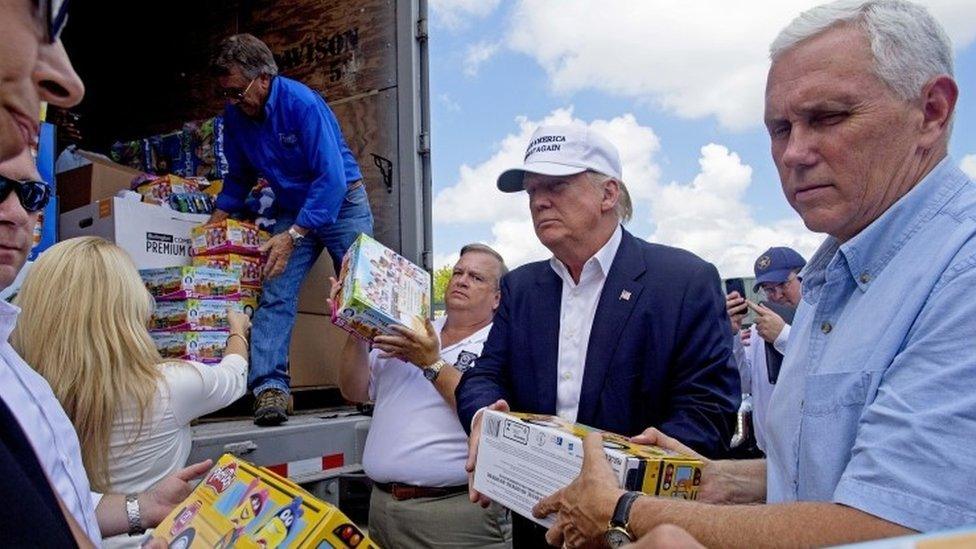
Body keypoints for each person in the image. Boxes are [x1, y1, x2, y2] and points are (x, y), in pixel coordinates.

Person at [533, 1, 976, 546]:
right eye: (778, 128)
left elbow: (894, 527)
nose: (793, 153)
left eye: (827, 117)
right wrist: (717, 481)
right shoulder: (835, 275)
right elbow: (828, 478)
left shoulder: (961, 273)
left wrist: (625, 510)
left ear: (931, 110)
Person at [455, 124, 739, 546]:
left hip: (635, 529)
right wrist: (484, 416)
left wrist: (619, 478)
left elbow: (707, 412)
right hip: (539, 525)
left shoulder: (682, 281)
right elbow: (484, 375)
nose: (539, 202)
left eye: (557, 186)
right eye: (532, 191)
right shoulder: (523, 288)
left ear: (609, 194)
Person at [0, 151, 211, 546]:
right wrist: (237, 331)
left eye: (31, 195)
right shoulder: (171, 386)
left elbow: (53, 501)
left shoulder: (15, 362)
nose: (15, 213)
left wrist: (143, 507)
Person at [11, 236, 252, 547]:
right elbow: (233, 377)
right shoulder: (169, 386)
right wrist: (237, 329)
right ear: (128, 308)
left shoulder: (24, 390)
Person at [207, 33, 374, 426]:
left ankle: (375, 384)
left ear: (263, 78)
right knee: (276, 290)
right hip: (292, 206)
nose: (231, 101)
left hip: (342, 202)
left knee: (362, 296)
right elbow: (240, 176)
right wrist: (217, 217)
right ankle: (270, 389)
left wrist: (294, 234)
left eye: (236, 91)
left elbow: (330, 179)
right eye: (225, 94)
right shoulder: (235, 117)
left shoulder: (302, 104)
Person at [333, 243, 512, 547]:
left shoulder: (500, 343)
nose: (461, 280)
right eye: (458, 272)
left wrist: (429, 361)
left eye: (476, 277)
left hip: (451, 515)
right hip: (381, 506)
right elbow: (354, 391)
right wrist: (355, 328)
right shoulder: (412, 327)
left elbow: (489, 418)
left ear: (497, 298)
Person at [726, 247, 804, 452]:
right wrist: (732, 335)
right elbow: (745, 383)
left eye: (782, 285)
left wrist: (783, 336)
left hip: (807, 454)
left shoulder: (825, 323)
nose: (777, 295)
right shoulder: (756, 331)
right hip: (768, 452)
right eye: (769, 289)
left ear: (804, 278)